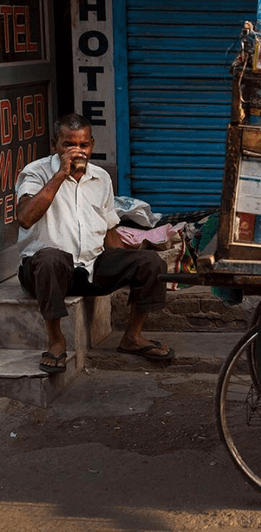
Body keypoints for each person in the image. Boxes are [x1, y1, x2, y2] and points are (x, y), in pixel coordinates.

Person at [15, 114, 174, 374]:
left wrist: (124, 262)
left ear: (92, 144)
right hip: (44, 270)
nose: (78, 151)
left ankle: (132, 337)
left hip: (89, 267)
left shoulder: (100, 178)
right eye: (69, 145)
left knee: (150, 262)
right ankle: (56, 340)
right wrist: (60, 175)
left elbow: (110, 228)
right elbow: (25, 217)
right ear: (55, 144)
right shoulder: (36, 172)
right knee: (50, 257)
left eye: (84, 144)